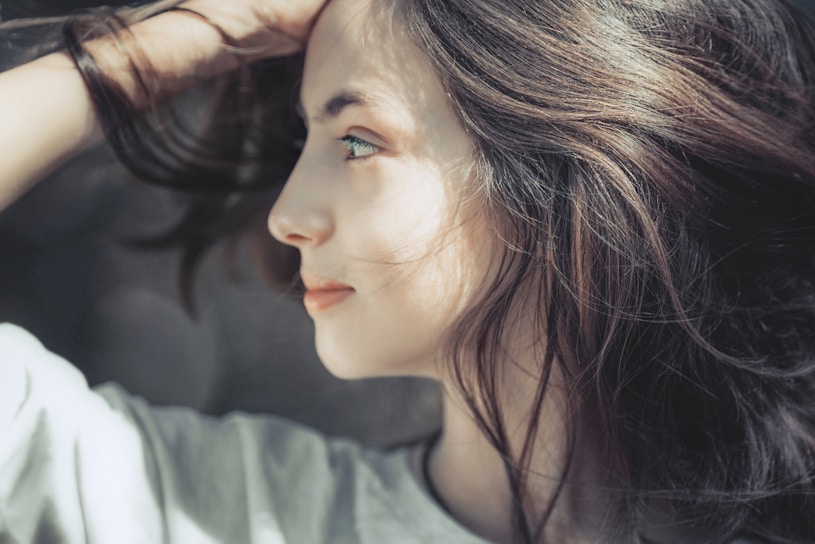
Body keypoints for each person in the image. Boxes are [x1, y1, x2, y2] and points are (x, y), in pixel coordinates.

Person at [1, 0, 814, 542]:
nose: (287, 215)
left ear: (570, 168)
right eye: (303, 144)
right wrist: (174, 42)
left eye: (355, 140)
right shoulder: (222, 512)